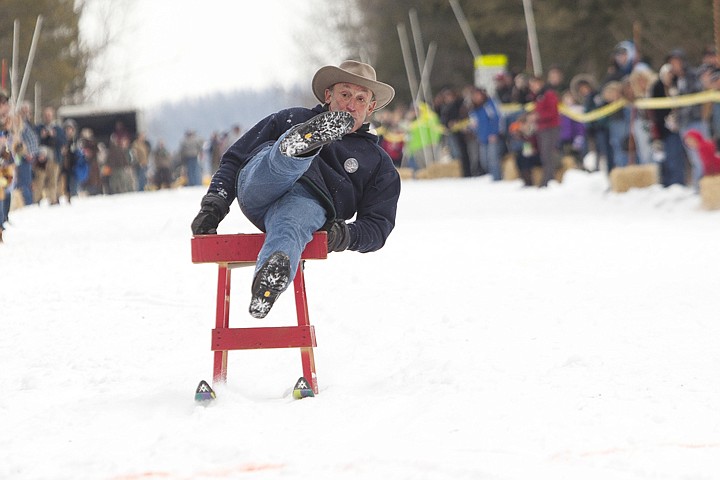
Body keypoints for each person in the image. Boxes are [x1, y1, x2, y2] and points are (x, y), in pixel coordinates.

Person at [191, 60, 400, 319]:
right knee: (277, 163)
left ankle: (269, 279)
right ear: (328, 95)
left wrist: (343, 235)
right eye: (344, 94)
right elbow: (235, 156)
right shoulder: (291, 117)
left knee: (293, 224)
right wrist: (214, 205)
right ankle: (300, 145)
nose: (350, 105)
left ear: (371, 107)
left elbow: (378, 225)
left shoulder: (377, 162)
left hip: (307, 203)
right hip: (260, 184)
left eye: (360, 99)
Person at [529, 74, 561, 186]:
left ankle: (549, 179)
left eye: (534, 84)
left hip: (550, 128)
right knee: (544, 155)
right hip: (542, 128)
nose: (532, 87)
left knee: (548, 154)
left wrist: (538, 116)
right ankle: (547, 178)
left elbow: (553, 112)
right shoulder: (538, 96)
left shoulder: (549, 94)